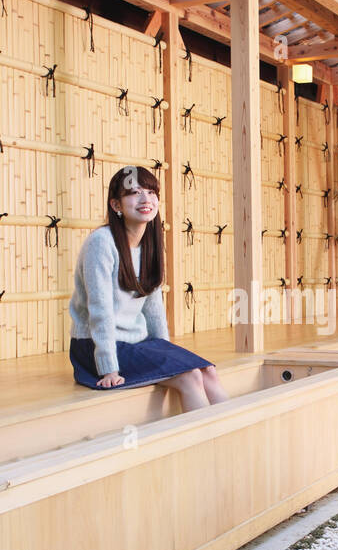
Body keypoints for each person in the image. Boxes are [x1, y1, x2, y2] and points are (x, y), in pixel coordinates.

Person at [69, 165, 230, 410]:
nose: (146, 199)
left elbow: (154, 310)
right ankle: (206, 443)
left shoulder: (149, 245)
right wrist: (108, 368)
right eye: (135, 193)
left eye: (151, 192)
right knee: (190, 377)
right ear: (116, 205)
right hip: (95, 346)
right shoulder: (101, 243)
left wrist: (166, 352)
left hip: (135, 342)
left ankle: (226, 441)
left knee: (207, 371)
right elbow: (99, 310)